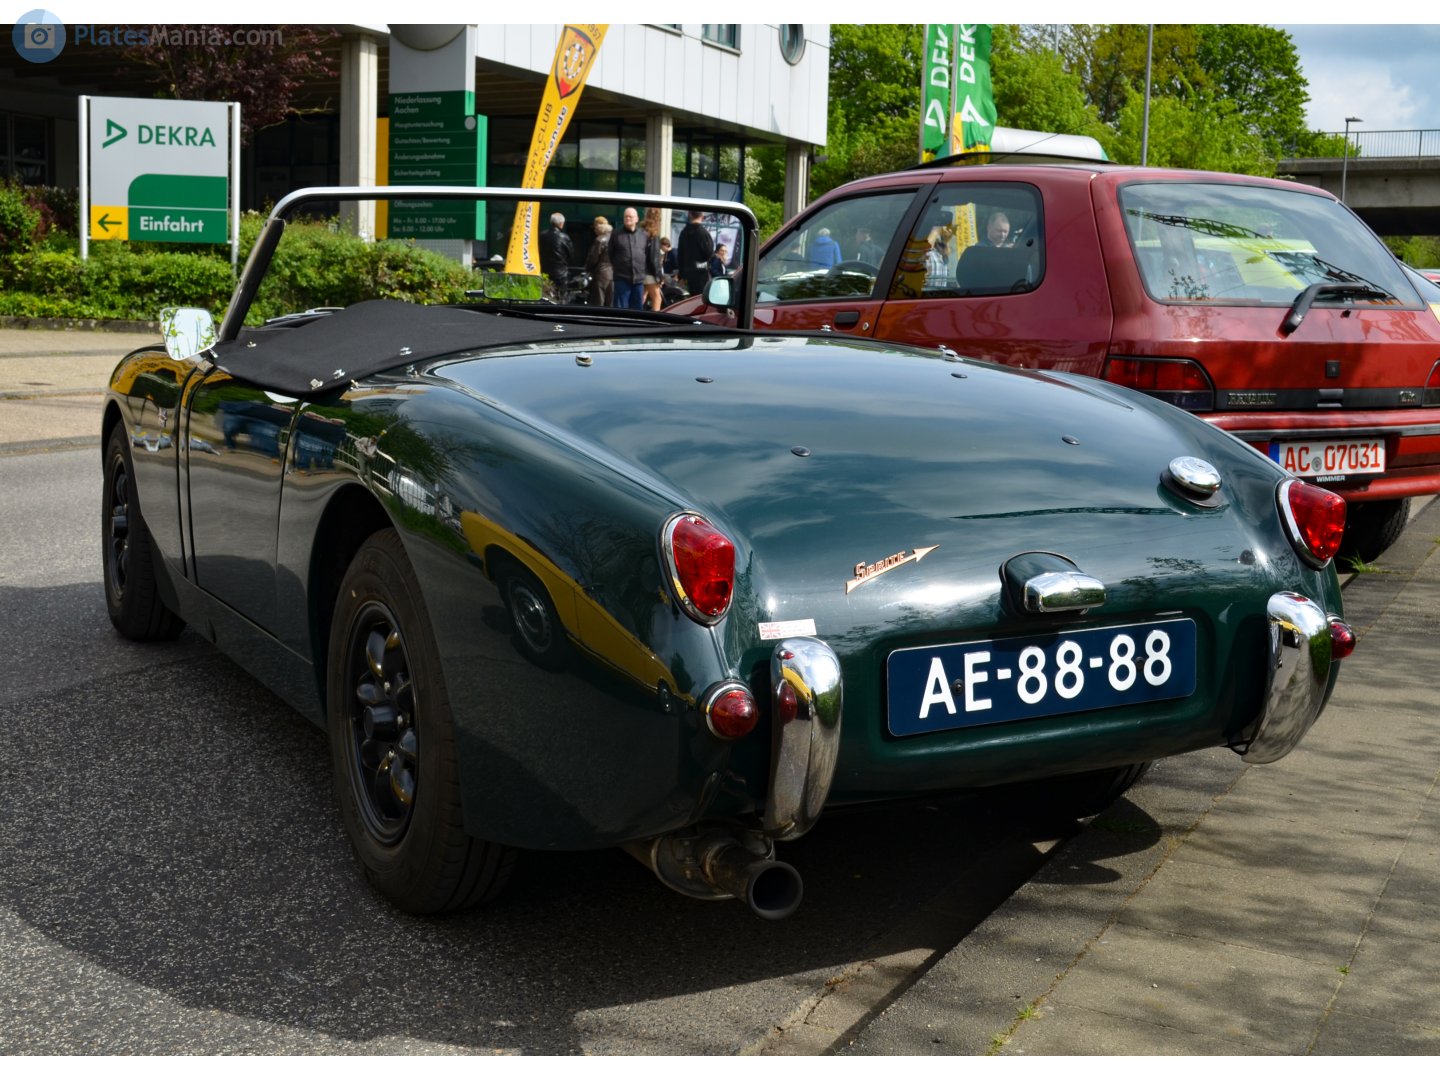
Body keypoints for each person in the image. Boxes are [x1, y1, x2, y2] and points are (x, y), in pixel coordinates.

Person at [608, 207, 656, 310]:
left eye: (630, 216)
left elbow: (647, 256)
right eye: (626, 216)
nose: (628, 218)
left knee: (637, 310)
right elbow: (611, 254)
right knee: (620, 310)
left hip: (638, 280)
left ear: (637, 219)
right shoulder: (616, 234)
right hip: (622, 279)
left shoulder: (644, 235)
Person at [676, 209, 715, 296]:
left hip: (687, 275)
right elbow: (709, 252)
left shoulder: (683, 233)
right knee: (699, 300)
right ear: (702, 216)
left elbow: (680, 256)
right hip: (701, 274)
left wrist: (681, 276)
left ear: (689, 214)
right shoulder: (703, 233)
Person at [538, 212, 574, 296]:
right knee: (560, 297)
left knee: (544, 296)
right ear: (561, 224)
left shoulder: (541, 235)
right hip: (560, 274)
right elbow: (571, 255)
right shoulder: (564, 237)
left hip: (544, 271)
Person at [641, 207, 666, 311]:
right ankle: (654, 322)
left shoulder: (641, 231)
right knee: (657, 299)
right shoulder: (654, 234)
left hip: (640, 270)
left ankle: (634, 316)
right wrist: (659, 276)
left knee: (642, 296)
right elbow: (653, 258)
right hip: (650, 273)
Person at [586, 216, 614, 306]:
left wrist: (587, 269)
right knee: (610, 303)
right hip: (613, 275)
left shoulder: (600, 240)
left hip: (601, 275)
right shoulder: (615, 238)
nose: (594, 230)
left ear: (599, 226)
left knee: (598, 303)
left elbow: (593, 259)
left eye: (595, 227)